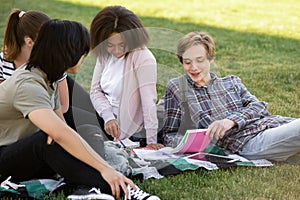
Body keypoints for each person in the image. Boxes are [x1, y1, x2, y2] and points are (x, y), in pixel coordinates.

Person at [0, 19, 160, 200]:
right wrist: (104, 168)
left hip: (23, 155)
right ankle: (119, 189)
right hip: (4, 158)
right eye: (83, 52)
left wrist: (98, 162)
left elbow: (63, 127)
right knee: (47, 140)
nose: (84, 57)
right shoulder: (27, 85)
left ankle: (90, 188)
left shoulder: (48, 78)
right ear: (69, 53)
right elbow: (58, 134)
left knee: (81, 133)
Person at [162, 31, 300, 162]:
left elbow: (260, 107)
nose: (194, 67)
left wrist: (230, 121)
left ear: (211, 59)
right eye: (187, 62)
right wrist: (194, 142)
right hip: (248, 141)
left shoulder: (231, 82)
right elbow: (170, 134)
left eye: (200, 60)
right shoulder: (179, 88)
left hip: (273, 125)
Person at [90, 6, 164, 149]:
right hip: (105, 116)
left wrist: (151, 141)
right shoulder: (104, 54)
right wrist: (108, 117)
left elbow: (148, 101)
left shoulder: (143, 57)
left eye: (122, 45)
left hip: (126, 128)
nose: (116, 51)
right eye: (110, 45)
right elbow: (95, 91)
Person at [0, 9, 71, 114]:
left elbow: (63, 106)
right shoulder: (4, 60)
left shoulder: (53, 62)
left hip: (48, 116)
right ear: (29, 42)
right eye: (48, 40)